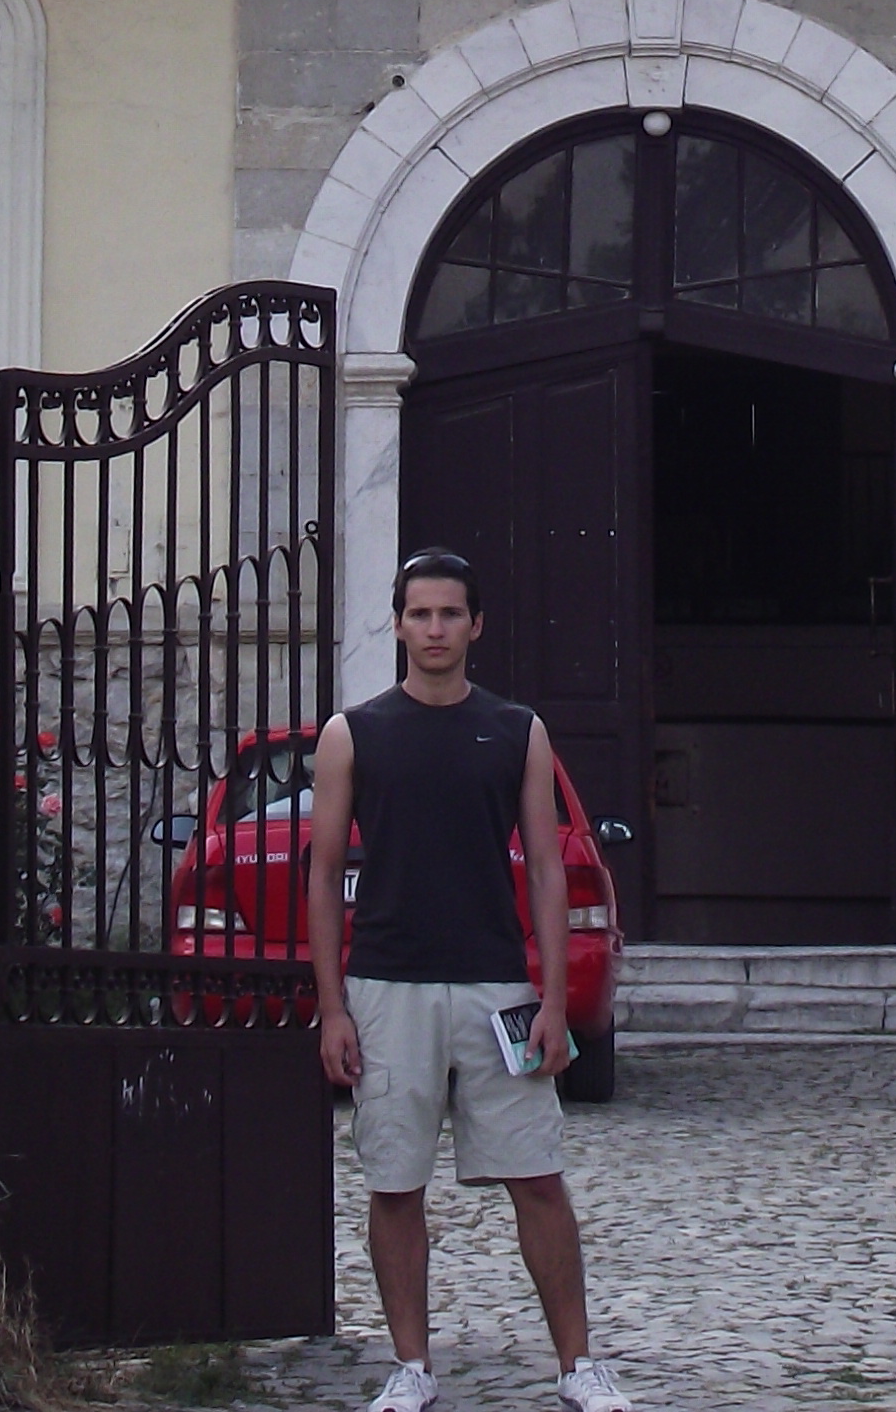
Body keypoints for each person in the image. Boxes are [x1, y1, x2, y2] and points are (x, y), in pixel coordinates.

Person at [307, 549, 631, 1412]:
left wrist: (553, 1001)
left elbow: (549, 873)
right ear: (397, 623)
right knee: (394, 1182)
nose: (435, 629)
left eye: (450, 613)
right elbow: (325, 873)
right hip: (387, 986)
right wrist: (332, 1007)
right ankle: (411, 1367)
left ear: (476, 625)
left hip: (497, 988)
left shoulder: (518, 730)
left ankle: (578, 1366)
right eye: (420, 613)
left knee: (538, 1178)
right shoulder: (352, 734)